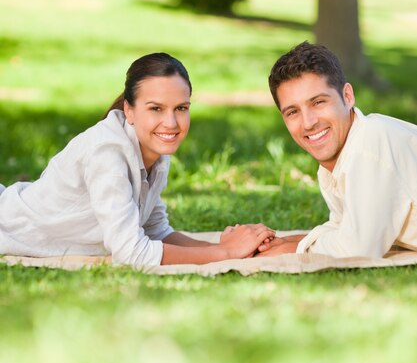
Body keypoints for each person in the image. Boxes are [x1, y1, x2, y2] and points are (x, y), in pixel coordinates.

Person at [0, 53, 275, 267]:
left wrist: (223, 246)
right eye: (156, 108)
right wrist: (224, 252)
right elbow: (131, 253)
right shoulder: (107, 151)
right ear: (129, 111)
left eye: (181, 108)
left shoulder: (154, 150)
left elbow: (155, 230)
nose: (171, 122)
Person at [257, 41, 417, 259]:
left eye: (318, 102)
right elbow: (344, 227)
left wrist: (291, 249)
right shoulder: (336, 163)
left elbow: (359, 249)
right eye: (293, 112)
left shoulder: (370, 143)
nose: (308, 123)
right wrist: (285, 241)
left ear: (348, 96)